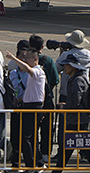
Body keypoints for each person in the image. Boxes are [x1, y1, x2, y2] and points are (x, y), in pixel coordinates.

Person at [53, 52, 90, 172]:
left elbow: (75, 102)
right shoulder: (75, 79)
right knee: (82, 148)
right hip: (77, 118)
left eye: (66, 65)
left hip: (79, 119)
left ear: (72, 66)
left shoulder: (77, 80)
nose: (64, 68)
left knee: (77, 147)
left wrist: (64, 108)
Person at [6, 48, 47, 170]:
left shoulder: (37, 71)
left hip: (33, 106)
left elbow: (28, 69)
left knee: (26, 138)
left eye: (28, 58)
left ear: (35, 59)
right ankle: (33, 164)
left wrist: (14, 58)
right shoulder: (35, 72)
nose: (25, 60)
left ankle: (31, 165)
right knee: (29, 138)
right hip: (30, 106)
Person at [30, 34, 60, 163]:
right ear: (42, 46)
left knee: (32, 129)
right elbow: (55, 79)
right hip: (47, 99)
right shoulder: (48, 61)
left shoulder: (29, 60)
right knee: (47, 128)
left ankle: (34, 153)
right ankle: (46, 153)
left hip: (32, 100)